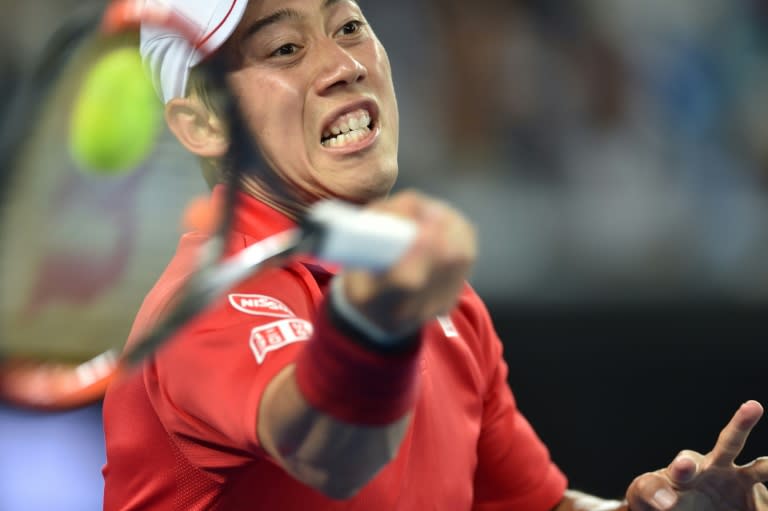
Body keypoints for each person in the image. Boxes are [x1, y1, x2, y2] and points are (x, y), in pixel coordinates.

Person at [101, 0, 768, 509]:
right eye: (283, 48)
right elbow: (331, 448)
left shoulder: (449, 309)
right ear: (203, 122)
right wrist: (375, 326)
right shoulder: (204, 304)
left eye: (349, 25)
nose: (344, 64)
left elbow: (532, 504)